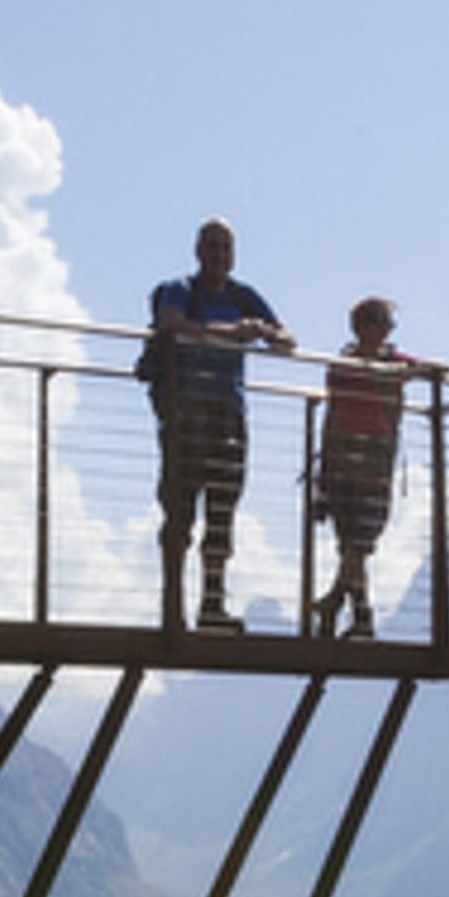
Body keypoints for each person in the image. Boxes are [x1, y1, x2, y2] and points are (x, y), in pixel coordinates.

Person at [147, 219, 290, 632]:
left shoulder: (243, 296)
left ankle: (212, 605)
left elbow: (287, 340)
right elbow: (170, 323)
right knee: (179, 510)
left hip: (229, 412)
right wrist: (229, 333)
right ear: (197, 251)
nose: (219, 256)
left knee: (222, 510)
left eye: (226, 248)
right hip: (185, 411)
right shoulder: (179, 289)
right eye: (212, 247)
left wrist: (263, 330)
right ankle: (172, 607)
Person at [312, 296, 444, 640]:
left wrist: (407, 370)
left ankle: (339, 604)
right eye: (381, 323)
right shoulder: (342, 365)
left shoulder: (391, 361)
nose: (386, 331)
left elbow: (438, 369)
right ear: (361, 327)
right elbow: (333, 412)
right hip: (345, 456)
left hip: (374, 457)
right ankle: (359, 616)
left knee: (361, 538)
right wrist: (322, 474)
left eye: (388, 325)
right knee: (351, 542)